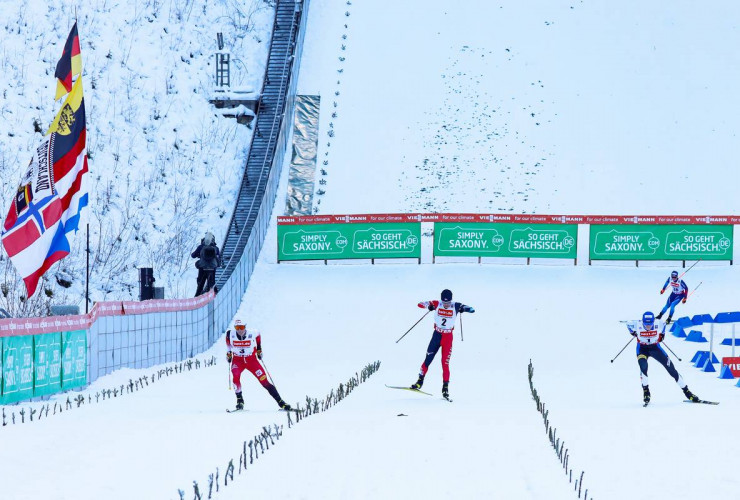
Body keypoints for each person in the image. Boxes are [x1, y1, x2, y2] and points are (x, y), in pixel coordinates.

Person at [410, 289, 474, 400]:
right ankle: (420, 381)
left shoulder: (455, 305)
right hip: (437, 335)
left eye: (448, 302)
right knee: (428, 359)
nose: (446, 305)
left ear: (451, 300)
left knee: (445, 363)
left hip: (447, 338)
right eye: (444, 303)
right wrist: (429, 306)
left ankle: (445, 388)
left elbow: (472, 309)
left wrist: (463, 309)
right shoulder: (437, 303)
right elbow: (419, 304)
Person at [626, 311, 700, 405]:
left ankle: (687, 391)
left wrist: (662, 334)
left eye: (650, 324)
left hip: (655, 348)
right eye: (646, 324)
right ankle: (646, 391)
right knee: (643, 366)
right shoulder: (637, 323)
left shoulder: (658, 322)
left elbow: (664, 323)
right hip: (642, 349)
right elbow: (628, 323)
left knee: (671, 369)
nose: (648, 326)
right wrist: (633, 332)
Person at [226, 319, 292, 411]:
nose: (239, 330)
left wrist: (259, 349)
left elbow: (258, 335)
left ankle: (281, 402)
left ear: (245, 327)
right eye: (237, 327)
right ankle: (240, 401)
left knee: (264, 380)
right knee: (235, 376)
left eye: (241, 327)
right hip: (238, 360)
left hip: (251, 360)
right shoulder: (230, 334)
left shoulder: (253, 333)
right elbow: (228, 344)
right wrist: (228, 353)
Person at [192, 232, 221, 296]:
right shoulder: (216, 248)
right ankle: (214, 292)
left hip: (202, 267)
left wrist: (198, 255)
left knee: (200, 281)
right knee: (212, 281)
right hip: (212, 267)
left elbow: (193, 255)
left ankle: (198, 294)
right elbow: (218, 256)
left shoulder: (201, 247)